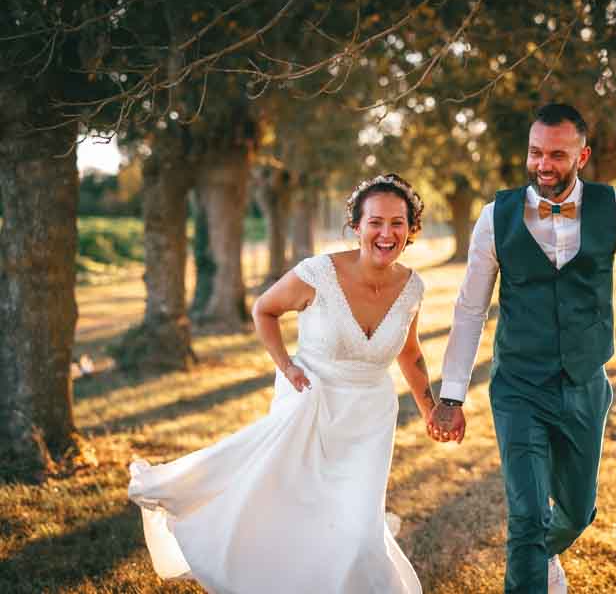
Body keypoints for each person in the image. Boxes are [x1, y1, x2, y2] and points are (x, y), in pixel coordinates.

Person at [128, 173, 434, 594]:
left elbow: (410, 352)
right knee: (295, 516)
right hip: (311, 407)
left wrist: (433, 411)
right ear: (357, 227)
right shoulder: (318, 274)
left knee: (358, 533)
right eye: (376, 222)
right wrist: (287, 366)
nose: (386, 233)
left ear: (410, 228)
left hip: (370, 420)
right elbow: (264, 310)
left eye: (397, 222)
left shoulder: (412, 288)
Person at [427, 103, 616, 594]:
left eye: (557, 155)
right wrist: (453, 395)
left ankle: (539, 561)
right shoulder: (494, 218)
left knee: (578, 511)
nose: (544, 165)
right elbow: (469, 310)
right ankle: (531, 572)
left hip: (586, 385)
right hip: (518, 387)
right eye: (536, 153)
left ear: (582, 156)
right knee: (525, 517)